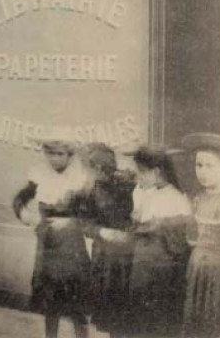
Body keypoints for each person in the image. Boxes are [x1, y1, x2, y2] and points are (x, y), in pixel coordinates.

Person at [12, 131, 92, 338]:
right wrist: (25, 215)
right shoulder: (39, 173)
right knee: (51, 300)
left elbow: (90, 213)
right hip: (47, 242)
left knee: (76, 301)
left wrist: (71, 222)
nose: (55, 158)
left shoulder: (80, 177)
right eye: (51, 154)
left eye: (60, 154)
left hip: (71, 244)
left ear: (69, 155)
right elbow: (20, 199)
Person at [124, 146, 192, 338]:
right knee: (140, 320)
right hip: (142, 266)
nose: (139, 178)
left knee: (159, 321)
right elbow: (138, 224)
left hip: (162, 270)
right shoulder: (145, 193)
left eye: (142, 173)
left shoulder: (177, 198)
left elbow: (181, 241)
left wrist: (159, 227)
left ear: (156, 172)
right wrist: (136, 219)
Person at [82, 143, 135, 338]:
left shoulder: (129, 185)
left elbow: (139, 216)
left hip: (128, 255)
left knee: (127, 313)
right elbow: (84, 222)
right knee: (110, 313)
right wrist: (101, 231)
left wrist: (128, 232)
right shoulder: (91, 189)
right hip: (104, 256)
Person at [181, 133, 220, 338]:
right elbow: (192, 238)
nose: (202, 172)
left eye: (210, 166)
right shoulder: (198, 199)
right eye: (199, 165)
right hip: (198, 270)